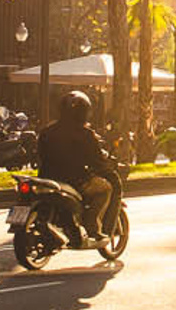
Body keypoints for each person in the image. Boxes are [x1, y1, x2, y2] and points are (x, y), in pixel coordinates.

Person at [37, 89, 122, 239]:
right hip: (76, 181)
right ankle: (92, 226)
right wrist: (108, 166)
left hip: (47, 178)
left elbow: (39, 155)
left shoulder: (46, 131)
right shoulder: (85, 134)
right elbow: (96, 160)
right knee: (106, 188)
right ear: (84, 112)